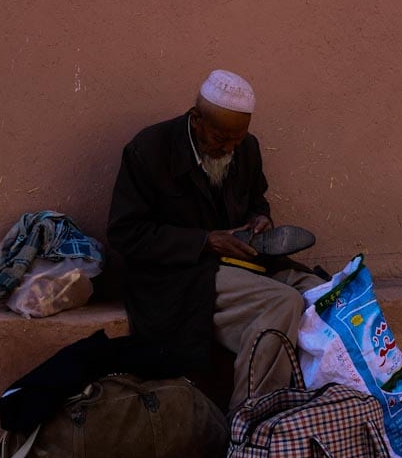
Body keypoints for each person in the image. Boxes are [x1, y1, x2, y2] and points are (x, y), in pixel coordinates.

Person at [106, 69, 322, 415]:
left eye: (238, 140)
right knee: (282, 302)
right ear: (196, 120)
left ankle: (324, 411)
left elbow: (256, 200)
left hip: (242, 260)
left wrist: (260, 218)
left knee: (320, 292)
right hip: (180, 274)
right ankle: (250, 423)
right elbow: (125, 233)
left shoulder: (245, 148)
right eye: (222, 139)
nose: (229, 149)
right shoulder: (148, 150)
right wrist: (205, 242)